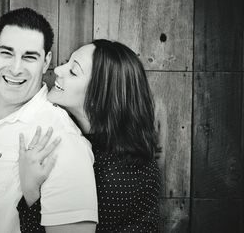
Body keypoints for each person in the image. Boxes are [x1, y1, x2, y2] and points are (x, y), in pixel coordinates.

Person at [0, 8, 98, 233]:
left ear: (46, 62)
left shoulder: (61, 139)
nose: (15, 68)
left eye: (29, 57)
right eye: (6, 53)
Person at [17, 39, 160, 232]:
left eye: (73, 71)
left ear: (100, 94)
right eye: (67, 62)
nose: (58, 70)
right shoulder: (75, 135)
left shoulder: (120, 175)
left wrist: (30, 188)